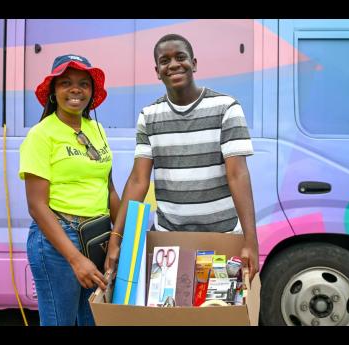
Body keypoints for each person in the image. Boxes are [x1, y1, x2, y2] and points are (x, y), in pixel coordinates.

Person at [105, 34, 259, 282]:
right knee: (171, 313)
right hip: (169, 240)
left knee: (216, 313)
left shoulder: (226, 108)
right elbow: (137, 181)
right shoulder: (149, 116)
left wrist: (251, 240)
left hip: (223, 236)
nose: (174, 65)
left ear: (194, 63)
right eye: (165, 61)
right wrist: (116, 237)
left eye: (180, 57)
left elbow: (237, 174)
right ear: (157, 71)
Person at [19, 54, 120, 326]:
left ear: (92, 91)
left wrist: (122, 236)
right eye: (66, 83)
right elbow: (36, 205)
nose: (76, 89)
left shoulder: (96, 129)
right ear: (53, 90)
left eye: (84, 84)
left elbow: (108, 187)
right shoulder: (41, 134)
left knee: (96, 320)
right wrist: (76, 260)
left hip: (97, 238)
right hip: (59, 241)